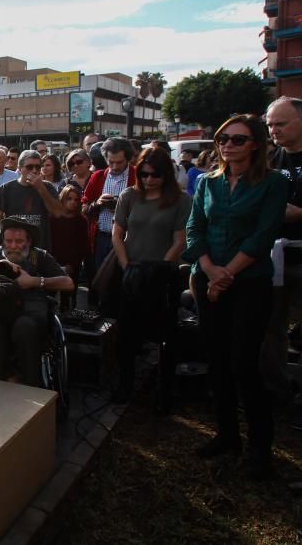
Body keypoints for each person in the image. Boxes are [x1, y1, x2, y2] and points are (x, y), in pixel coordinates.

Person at [184, 115, 289, 480]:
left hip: (249, 282)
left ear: (256, 144)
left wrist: (226, 274)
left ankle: (260, 447)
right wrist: (210, 271)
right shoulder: (208, 183)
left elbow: (263, 236)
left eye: (238, 140)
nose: (228, 144)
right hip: (206, 278)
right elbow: (194, 227)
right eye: (223, 138)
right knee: (217, 360)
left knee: (245, 362)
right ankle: (227, 435)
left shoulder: (274, 184)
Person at [110, 147, 192, 405]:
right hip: (132, 272)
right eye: (143, 174)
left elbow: (181, 239)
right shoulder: (129, 196)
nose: (148, 180)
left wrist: (161, 269)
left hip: (163, 275)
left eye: (154, 175)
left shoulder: (181, 200)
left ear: (165, 174)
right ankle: (125, 385)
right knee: (126, 335)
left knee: (165, 335)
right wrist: (127, 266)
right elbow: (117, 233)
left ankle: (163, 390)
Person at [0, 217, 74, 387]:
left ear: (29, 241)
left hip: (30, 314)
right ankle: (4, 379)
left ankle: (30, 384)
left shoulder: (39, 256)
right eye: (9, 241)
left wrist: (35, 281)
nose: (13, 246)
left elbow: (69, 283)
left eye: (19, 241)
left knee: (24, 326)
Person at [264, 96, 302, 402]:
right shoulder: (273, 160)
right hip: (275, 257)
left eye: (281, 123)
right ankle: (278, 389)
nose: (274, 130)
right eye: (270, 124)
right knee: (272, 325)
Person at [81, 137, 136, 286]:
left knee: (126, 281)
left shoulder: (137, 176)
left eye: (119, 162)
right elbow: (84, 208)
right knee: (103, 280)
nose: (114, 166)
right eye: (111, 162)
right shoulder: (97, 177)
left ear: (129, 159)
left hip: (129, 240)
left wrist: (122, 205)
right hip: (102, 238)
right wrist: (97, 203)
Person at [0, 149, 64, 249]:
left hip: (40, 247)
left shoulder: (48, 187)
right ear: (20, 169)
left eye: (38, 167)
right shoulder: (6, 189)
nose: (34, 170)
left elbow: (58, 212)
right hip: (14, 247)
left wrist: (41, 188)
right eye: (29, 167)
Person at [49, 184, 89, 312]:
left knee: (69, 301)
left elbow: (83, 246)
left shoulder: (81, 220)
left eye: (76, 200)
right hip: (53, 263)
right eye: (69, 198)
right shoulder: (53, 218)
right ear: (62, 199)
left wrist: (72, 264)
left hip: (72, 266)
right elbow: (49, 241)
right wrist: (53, 263)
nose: (73, 202)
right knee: (49, 297)